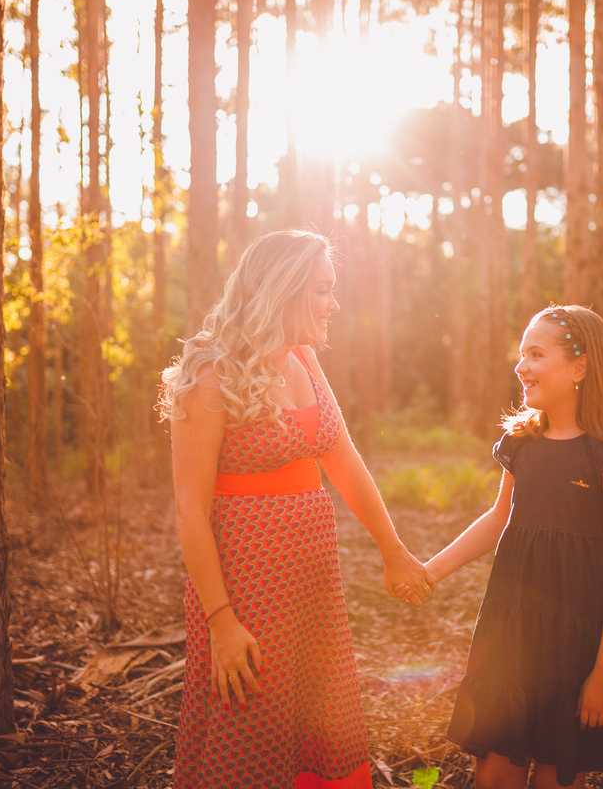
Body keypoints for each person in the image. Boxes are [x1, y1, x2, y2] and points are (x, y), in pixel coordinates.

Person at [160, 230, 435, 789]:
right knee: (249, 727)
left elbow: (346, 463)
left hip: (313, 584)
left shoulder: (304, 359)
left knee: (316, 721)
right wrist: (221, 621)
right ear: (284, 291)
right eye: (323, 290)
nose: (334, 304)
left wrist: (393, 551)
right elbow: (190, 511)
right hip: (245, 587)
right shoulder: (210, 376)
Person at [421, 305, 603, 789]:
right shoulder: (523, 441)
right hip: (511, 629)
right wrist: (429, 572)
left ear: (579, 366)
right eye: (520, 355)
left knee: (557, 771)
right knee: (494, 767)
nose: (521, 366)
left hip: (578, 639)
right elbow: (499, 519)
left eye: (535, 354)